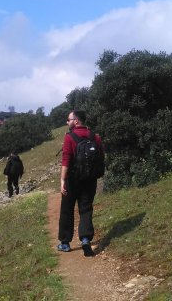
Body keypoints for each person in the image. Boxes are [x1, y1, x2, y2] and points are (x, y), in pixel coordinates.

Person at [57, 110, 104, 257]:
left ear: (76, 121)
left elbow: (66, 160)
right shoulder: (95, 137)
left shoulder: (69, 137)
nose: (67, 122)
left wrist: (63, 180)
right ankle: (85, 239)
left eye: (68, 119)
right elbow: (101, 158)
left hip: (72, 179)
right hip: (90, 180)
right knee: (86, 209)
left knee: (67, 209)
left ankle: (65, 243)